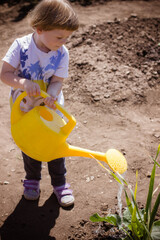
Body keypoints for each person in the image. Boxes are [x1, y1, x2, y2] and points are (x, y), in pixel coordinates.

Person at [0, 0, 79, 207]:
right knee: (31, 146)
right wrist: (23, 83)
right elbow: (5, 74)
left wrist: (52, 95)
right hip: (25, 108)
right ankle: (32, 181)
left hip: (50, 109)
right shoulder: (21, 47)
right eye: (59, 37)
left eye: (67, 38)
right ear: (40, 28)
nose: (63, 42)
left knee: (55, 145)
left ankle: (60, 184)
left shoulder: (62, 53)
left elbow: (57, 81)